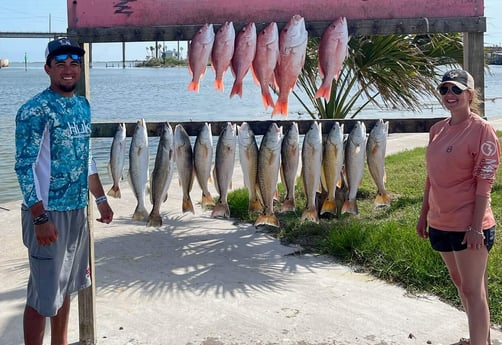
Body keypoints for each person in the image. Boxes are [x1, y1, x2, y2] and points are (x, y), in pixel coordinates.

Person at [14, 37, 114, 345]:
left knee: (67, 286)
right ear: (48, 69)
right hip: (48, 213)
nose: (68, 70)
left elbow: (85, 157)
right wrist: (40, 217)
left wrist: (100, 198)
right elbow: (25, 166)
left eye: (74, 63)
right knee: (41, 294)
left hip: (76, 210)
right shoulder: (34, 110)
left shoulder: (83, 105)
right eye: (61, 64)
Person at [416, 69, 500, 345]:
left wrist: (476, 227)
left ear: (470, 95)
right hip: (440, 222)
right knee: (460, 283)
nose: (449, 95)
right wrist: (423, 216)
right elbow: (432, 178)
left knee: (474, 290)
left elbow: (484, 182)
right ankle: (481, 339)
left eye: (456, 90)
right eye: (444, 90)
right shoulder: (437, 130)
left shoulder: (481, 130)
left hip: (470, 226)